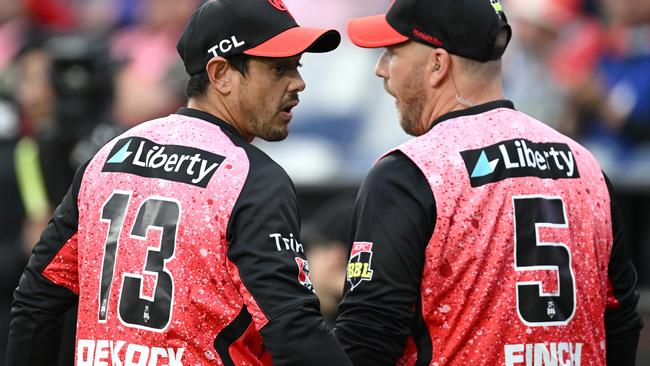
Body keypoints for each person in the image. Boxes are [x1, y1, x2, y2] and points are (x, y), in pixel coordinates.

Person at [6, 0, 352, 365]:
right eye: (279, 68)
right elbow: (293, 329)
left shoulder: (108, 156)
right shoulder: (251, 178)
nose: (298, 83)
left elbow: (38, 300)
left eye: (296, 66)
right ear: (220, 74)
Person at [334, 0, 643, 365]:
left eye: (392, 53)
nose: (381, 70)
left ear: (437, 65)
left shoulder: (411, 171)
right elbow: (620, 321)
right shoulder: (585, 165)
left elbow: (367, 338)